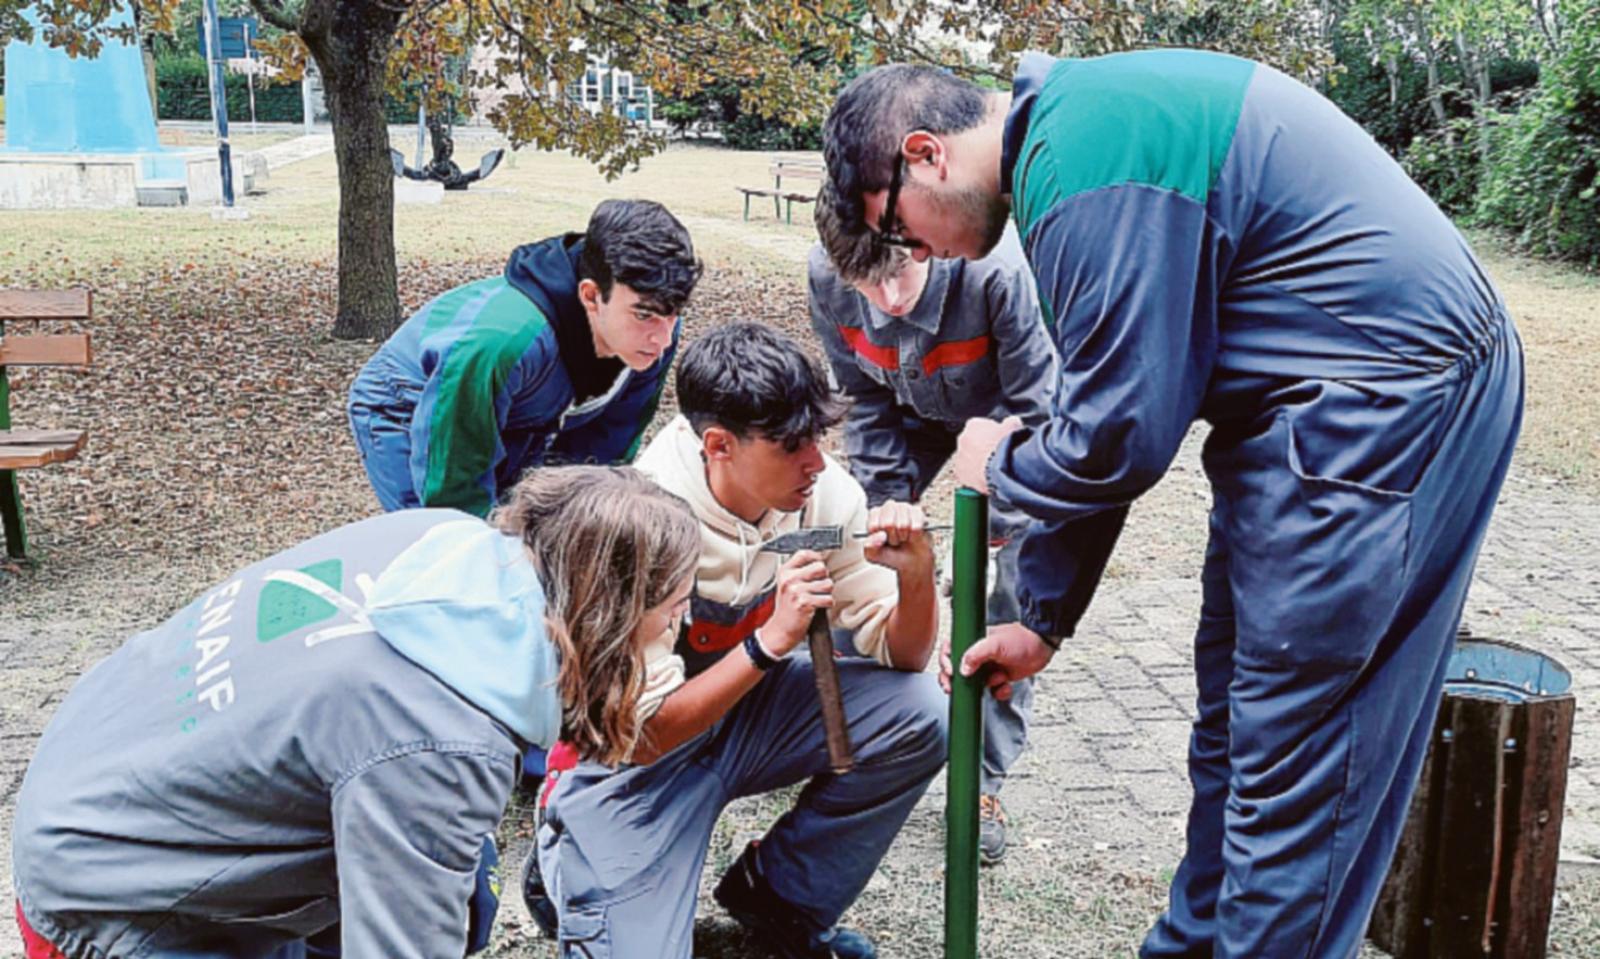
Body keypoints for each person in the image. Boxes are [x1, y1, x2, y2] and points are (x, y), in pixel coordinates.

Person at [821, 50, 1524, 958]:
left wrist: (997, 465)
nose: (916, 257)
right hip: (1310, 415)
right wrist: (1042, 617)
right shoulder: (1074, 145)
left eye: (899, 232)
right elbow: (1117, 410)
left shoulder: (1087, 165)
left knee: (1298, 755)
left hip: (1384, 403)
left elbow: (1118, 435)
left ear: (925, 155)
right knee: (1236, 720)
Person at [11, 467, 700, 959]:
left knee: (465, 893)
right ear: (610, 620)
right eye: (671, 611)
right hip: (107, 891)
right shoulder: (441, 741)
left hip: (101, 760)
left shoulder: (436, 543)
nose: (685, 622)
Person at [529, 323, 946, 959]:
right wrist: (769, 641)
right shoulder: (646, 514)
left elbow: (907, 656)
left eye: (818, 439)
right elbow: (639, 734)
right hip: (640, 750)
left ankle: (780, 901)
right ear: (719, 445)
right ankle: (565, 871)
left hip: (749, 714)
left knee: (925, 712)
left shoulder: (822, 490)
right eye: (790, 446)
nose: (815, 461)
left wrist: (915, 579)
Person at [809, 196, 1057, 863]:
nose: (887, 301)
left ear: (922, 248)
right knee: (863, 549)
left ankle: (983, 779)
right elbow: (861, 395)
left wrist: (996, 526)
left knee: (1007, 591)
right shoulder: (827, 277)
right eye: (870, 284)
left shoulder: (995, 274)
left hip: (1003, 414)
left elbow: (1040, 407)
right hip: (906, 407)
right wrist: (887, 499)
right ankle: (854, 736)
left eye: (900, 276)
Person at [348, 198, 702, 517]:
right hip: (409, 404)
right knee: (444, 541)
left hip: (524, 412)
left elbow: (606, 448)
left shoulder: (656, 330)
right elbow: (454, 479)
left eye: (673, 314)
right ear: (591, 296)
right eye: (645, 315)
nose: (663, 338)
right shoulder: (505, 341)